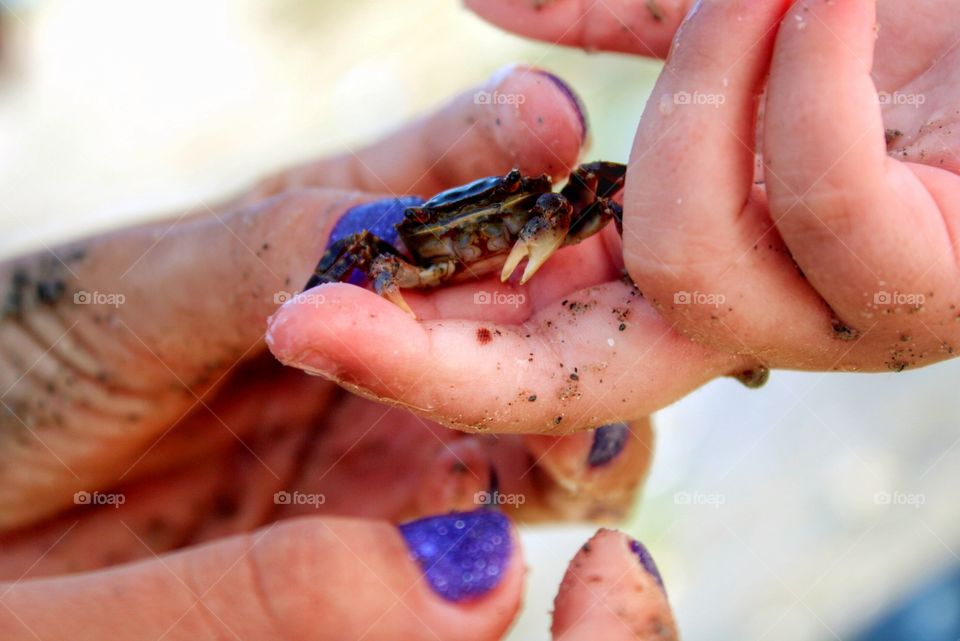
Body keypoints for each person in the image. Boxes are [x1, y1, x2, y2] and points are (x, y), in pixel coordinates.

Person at [1, 0, 957, 638]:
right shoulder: (409, 241)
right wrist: (357, 287)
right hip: (414, 255)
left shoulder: (539, 200)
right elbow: (358, 256)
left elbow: (603, 188)